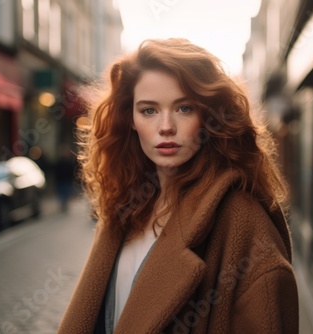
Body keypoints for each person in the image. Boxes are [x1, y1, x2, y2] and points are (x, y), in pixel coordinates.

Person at [58, 38, 298, 334]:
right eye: (149, 110)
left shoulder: (243, 221)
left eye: (184, 108)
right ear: (130, 119)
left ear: (208, 117)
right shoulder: (124, 206)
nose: (166, 126)